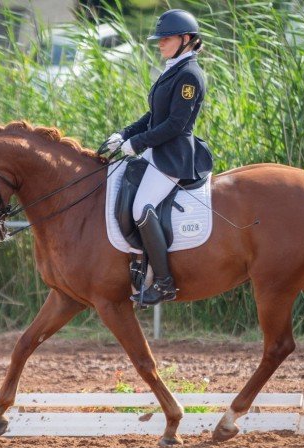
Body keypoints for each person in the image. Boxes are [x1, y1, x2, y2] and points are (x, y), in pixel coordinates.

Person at [107, 9, 213, 306]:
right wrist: (124, 135)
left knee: (142, 207)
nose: (160, 44)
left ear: (187, 39)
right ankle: (141, 266)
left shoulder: (190, 74)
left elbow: (175, 125)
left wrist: (136, 144)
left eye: (166, 39)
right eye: (160, 38)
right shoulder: (173, 69)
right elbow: (154, 115)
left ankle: (165, 283)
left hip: (174, 157)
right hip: (156, 152)